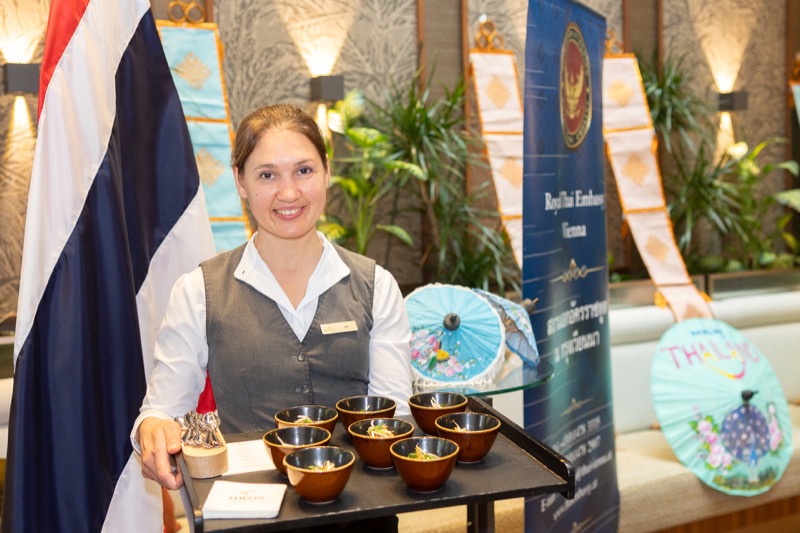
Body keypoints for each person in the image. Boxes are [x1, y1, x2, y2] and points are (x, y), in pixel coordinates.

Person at [132, 103, 413, 531]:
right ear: (240, 182)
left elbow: (396, 417)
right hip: (248, 517)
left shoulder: (377, 286)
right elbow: (160, 411)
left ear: (327, 172)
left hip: (361, 514)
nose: (289, 193)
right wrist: (152, 431)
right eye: (267, 175)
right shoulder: (198, 291)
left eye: (304, 170)